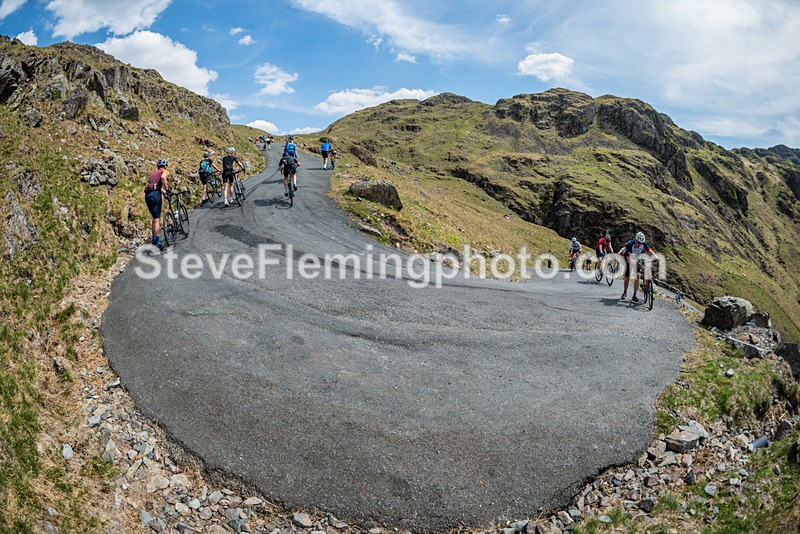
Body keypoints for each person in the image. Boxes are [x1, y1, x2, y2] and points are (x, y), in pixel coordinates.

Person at [618, 231, 656, 303]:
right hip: (628, 258)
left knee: (638, 275)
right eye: (638, 242)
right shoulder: (630, 244)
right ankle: (625, 292)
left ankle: (634, 295)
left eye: (641, 243)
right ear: (635, 240)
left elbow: (650, 251)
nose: (639, 244)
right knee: (627, 277)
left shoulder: (643, 244)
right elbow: (628, 259)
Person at [144, 158, 170, 249]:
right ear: (165, 166)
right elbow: (163, 177)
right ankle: (156, 244)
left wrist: (164, 192)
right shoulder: (164, 171)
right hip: (155, 195)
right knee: (157, 219)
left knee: (154, 217)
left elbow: (156, 186)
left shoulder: (153, 174)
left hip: (148, 195)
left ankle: (154, 238)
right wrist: (168, 189)